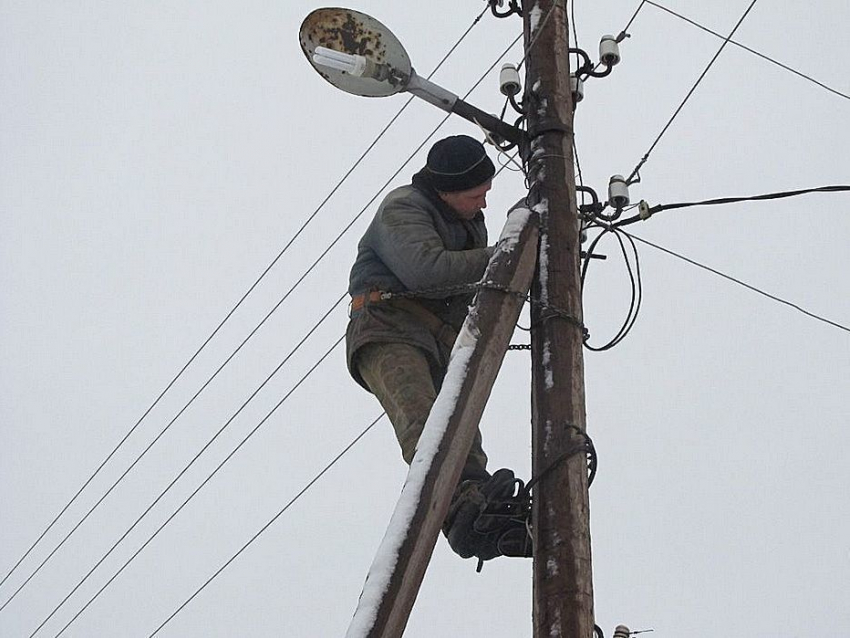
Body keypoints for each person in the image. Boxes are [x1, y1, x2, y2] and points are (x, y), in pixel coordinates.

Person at [345, 134, 531, 563]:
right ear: (447, 190)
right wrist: (509, 252)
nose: (483, 204)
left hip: (439, 337)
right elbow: (428, 273)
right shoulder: (404, 208)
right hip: (387, 328)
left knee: (461, 427)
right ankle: (462, 514)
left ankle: (484, 510)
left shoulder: (467, 222)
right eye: (475, 195)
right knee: (425, 424)